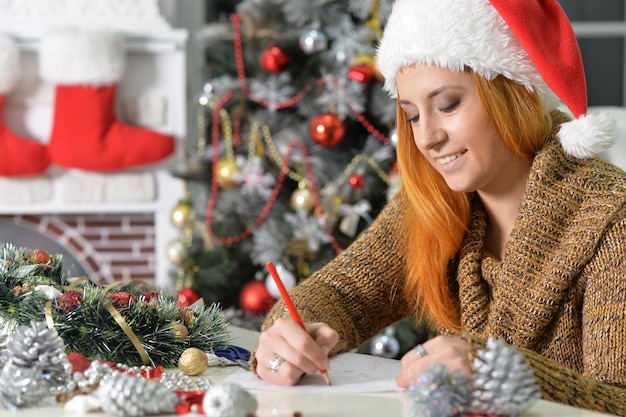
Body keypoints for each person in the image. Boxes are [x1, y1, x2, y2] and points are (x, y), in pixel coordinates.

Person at [251, 0, 626, 414]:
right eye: (412, 116)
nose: (426, 137)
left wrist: (497, 369)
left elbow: (618, 400)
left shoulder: (611, 220)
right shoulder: (435, 203)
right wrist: (293, 333)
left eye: (447, 105)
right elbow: (340, 293)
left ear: (514, 92)